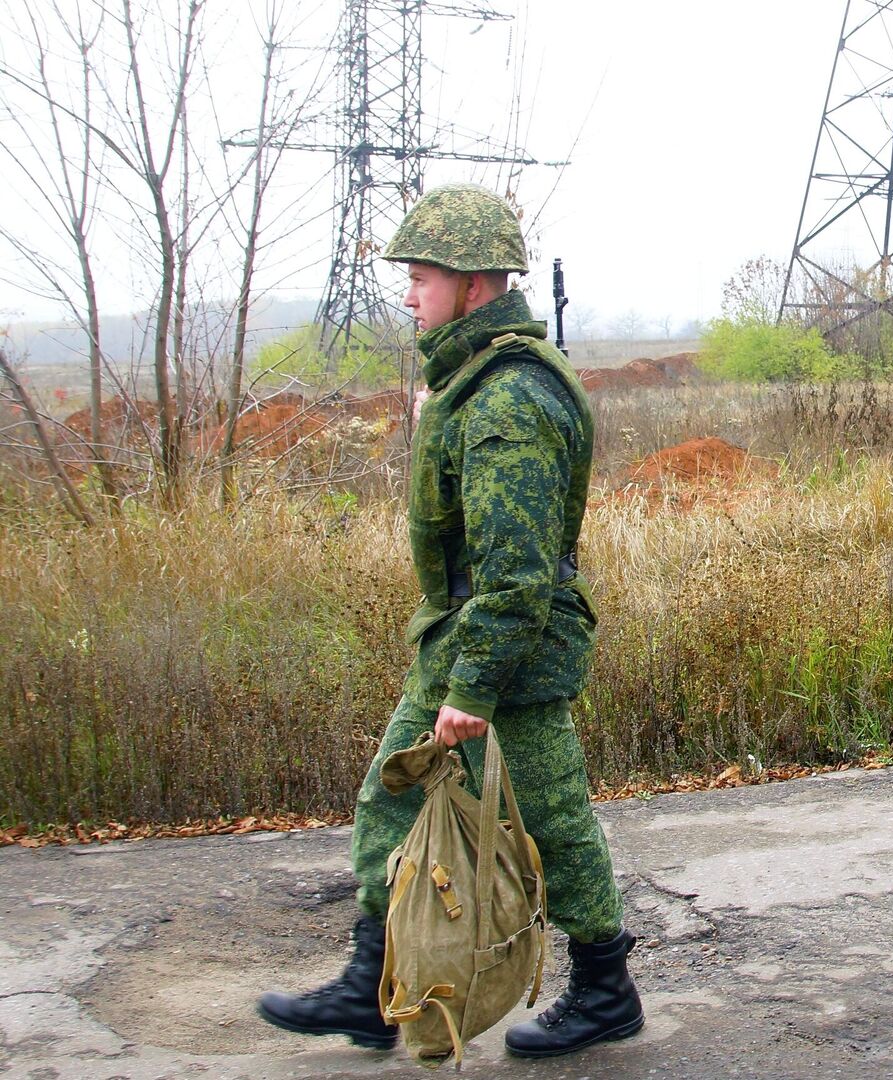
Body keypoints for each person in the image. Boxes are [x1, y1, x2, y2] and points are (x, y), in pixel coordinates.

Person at [256, 183, 644, 1058]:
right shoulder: (472, 383)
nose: (408, 295)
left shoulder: (508, 401)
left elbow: (517, 573)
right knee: (389, 800)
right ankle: (369, 986)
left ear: (473, 285)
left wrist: (473, 688)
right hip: (460, 641)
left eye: (422, 278)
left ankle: (607, 988)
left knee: (552, 816)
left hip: (509, 651)